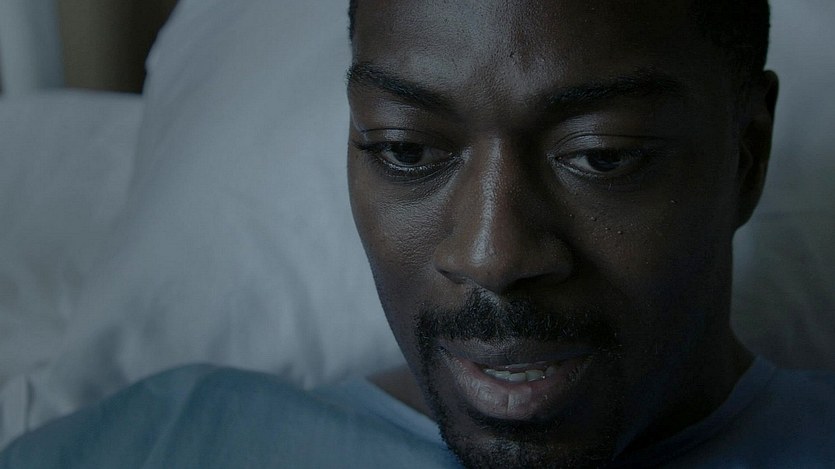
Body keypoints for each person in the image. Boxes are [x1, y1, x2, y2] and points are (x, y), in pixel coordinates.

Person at [1, 1, 834, 468]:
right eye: (405, 150)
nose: (490, 255)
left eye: (601, 156)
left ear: (745, 154)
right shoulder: (164, 443)